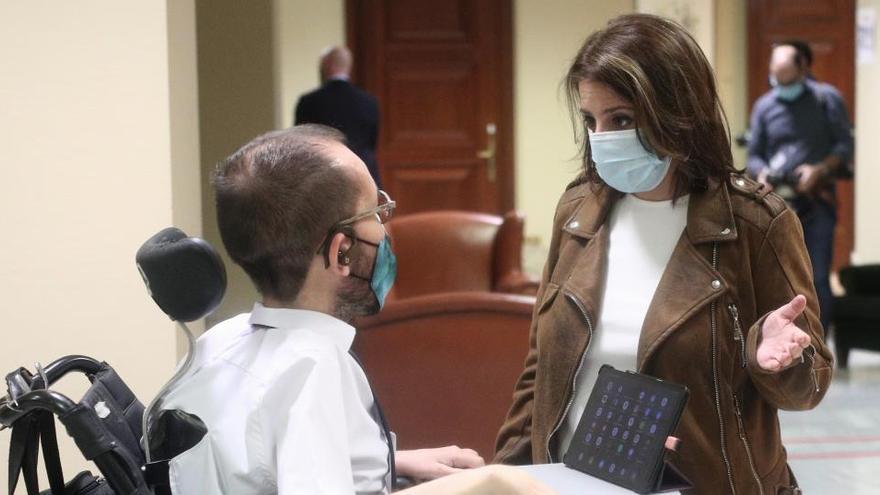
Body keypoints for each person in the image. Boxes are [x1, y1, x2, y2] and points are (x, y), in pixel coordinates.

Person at [494, 14, 833, 494]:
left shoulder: (757, 223)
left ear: (676, 113)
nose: (603, 137)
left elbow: (811, 383)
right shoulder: (578, 211)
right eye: (592, 120)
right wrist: (506, 473)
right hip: (572, 482)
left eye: (623, 119)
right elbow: (538, 370)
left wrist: (772, 360)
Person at [160, 125, 553, 494]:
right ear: (341, 251)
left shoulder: (217, 342)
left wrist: (387, 461)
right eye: (376, 214)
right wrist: (493, 483)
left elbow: (259, 463)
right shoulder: (311, 367)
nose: (385, 231)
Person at [747, 41, 853, 332]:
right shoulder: (764, 106)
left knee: (818, 276)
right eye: (775, 76)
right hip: (775, 206)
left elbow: (845, 146)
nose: (780, 83)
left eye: (787, 77)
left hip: (817, 203)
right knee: (774, 277)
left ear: (804, 68)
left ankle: (819, 347)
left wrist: (819, 169)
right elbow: (754, 154)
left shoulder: (826, 99)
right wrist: (762, 172)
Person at [295, 46, 382, 187]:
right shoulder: (370, 102)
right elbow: (372, 143)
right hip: (364, 173)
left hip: (324, 176)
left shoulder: (309, 101)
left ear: (327, 65)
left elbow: (301, 143)